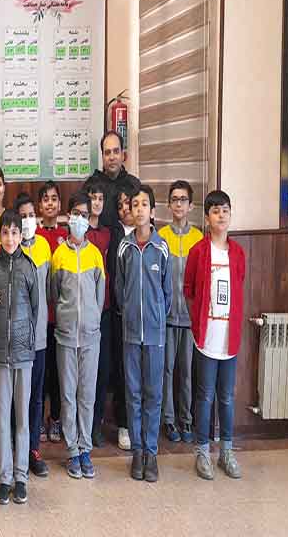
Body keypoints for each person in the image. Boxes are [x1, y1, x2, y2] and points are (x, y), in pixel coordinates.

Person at [184, 190, 246, 481]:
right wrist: (198, 324)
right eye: (216, 211)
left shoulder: (238, 253)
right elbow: (189, 291)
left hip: (229, 338)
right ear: (207, 218)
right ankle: (202, 451)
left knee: (227, 397)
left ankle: (227, 452)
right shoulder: (198, 251)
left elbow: (239, 284)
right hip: (206, 337)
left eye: (225, 210)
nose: (221, 215)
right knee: (205, 395)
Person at [0, 210, 47, 505]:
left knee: (22, 418)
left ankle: (21, 477)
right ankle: (5, 477)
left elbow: (36, 310)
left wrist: (26, 342)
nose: (10, 238)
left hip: (24, 354)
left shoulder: (29, 267)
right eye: (5, 232)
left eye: (14, 232)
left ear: (21, 234)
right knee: (2, 418)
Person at [115, 185, 171, 483]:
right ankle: (137, 452)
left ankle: (152, 452)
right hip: (130, 333)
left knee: (154, 394)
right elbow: (120, 288)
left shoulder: (161, 247)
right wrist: (129, 313)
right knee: (133, 393)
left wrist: (156, 316)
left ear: (152, 211)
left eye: (144, 204)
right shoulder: (124, 247)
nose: (139, 209)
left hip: (155, 334)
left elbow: (167, 293)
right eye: (134, 204)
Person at [50, 192, 105, 480]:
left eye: (84, 215)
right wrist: (65, 318)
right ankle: (72, 450)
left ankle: (85, 449)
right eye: (76, 214)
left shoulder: (95, 255)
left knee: (87, 395)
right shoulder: (59, 255)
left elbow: (100, 295)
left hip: (91, 337)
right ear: (69, 216)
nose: (80, 220)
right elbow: (54, 293)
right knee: (68, 395)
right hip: (66, 335)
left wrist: (92, 321)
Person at [157, 180, 203, 444]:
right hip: (166, 318)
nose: (178, 204)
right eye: (174, 199)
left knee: (186, 372)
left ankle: (186, 419)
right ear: (168, 204)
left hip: (189, 318)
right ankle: (169, 420)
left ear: (191, 205)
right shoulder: (161, 236)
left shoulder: (198, 238)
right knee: (167, 371)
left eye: (183, 199)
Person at [12, 192, 53, 477]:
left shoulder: (44, 248)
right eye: (22, 216)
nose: (27, 221)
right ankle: (14, 449)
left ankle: (33, 450)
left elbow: (50, 290)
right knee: (15, 398)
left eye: (30, 216)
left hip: (38, 338)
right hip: (14, 340)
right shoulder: (9, 249)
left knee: (36, 397)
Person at [106, 187, 137, 451]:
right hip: (118, 314)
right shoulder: (113, 235)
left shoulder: (149, 235)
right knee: (120, 370)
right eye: (121, 205)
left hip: (144, 318)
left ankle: (141, 424)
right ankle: (123, 424)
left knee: (140, 373)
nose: (126, 208)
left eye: (130, 203)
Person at [36, 180, 67, 444]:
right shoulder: (32, 235)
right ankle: (38, 419)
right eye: (45, 199)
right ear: (39, 205)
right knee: (41, 373)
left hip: (61, 317)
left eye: (54, 199)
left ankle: (55, 418)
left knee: (58, 373)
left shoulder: (66, 236)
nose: (49, 203)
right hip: (39, 319)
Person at [84, 184, 113, 448]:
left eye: (101, 198)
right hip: (82, 312)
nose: (97, 203)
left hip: (103, 310)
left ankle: (96, 424)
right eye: (93, 198)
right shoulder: (80, 233)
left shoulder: (108, 233)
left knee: (101, 370)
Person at [82, 130, 141, 228]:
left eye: (116, 151)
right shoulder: (91, 185)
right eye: (107, 153)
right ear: (102, 157)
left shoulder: (134, 184)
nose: (112, 157)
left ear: (123, 155)